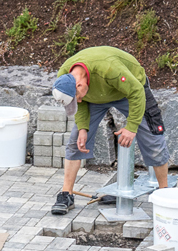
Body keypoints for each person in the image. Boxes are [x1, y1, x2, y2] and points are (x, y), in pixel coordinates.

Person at [49, 46, 170, 214]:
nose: (80, 100)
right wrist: (83, 128)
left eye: (78, 97)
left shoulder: (108, 68)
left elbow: (136, 92)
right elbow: (81, 103)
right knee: (76, 141)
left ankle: (164, 194)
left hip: (129, 91)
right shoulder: (65, 78)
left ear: (80, 84)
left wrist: (131, 127)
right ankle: (66, 194)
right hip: (96, 96)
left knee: (153, 138)